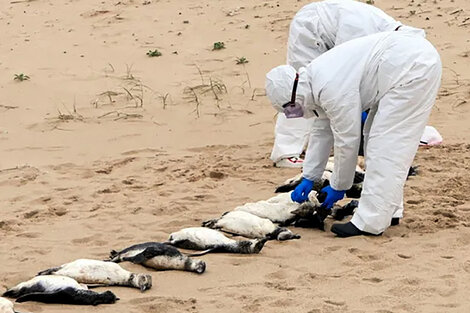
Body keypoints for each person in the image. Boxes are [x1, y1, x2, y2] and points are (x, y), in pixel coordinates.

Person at [265, 31, 441, 237]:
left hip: (411, 67)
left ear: (294, 95)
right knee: (376, 142)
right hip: (402, 66)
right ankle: (389, 210)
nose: (294, 115)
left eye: (291, 110)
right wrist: (309, 176)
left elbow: (346, 140)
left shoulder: (329, 87)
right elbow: (322, 131)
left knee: (385, 146)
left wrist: (339, 186)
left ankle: (370, 222)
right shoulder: (313, 84)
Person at [272, 0, 424, 168]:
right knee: (299, 91)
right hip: (310, 28)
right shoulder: (367, 31)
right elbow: (349, 76)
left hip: (327, 27)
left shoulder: (386, 36)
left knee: (322, 96)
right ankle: (285, 152)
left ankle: (319, 147)